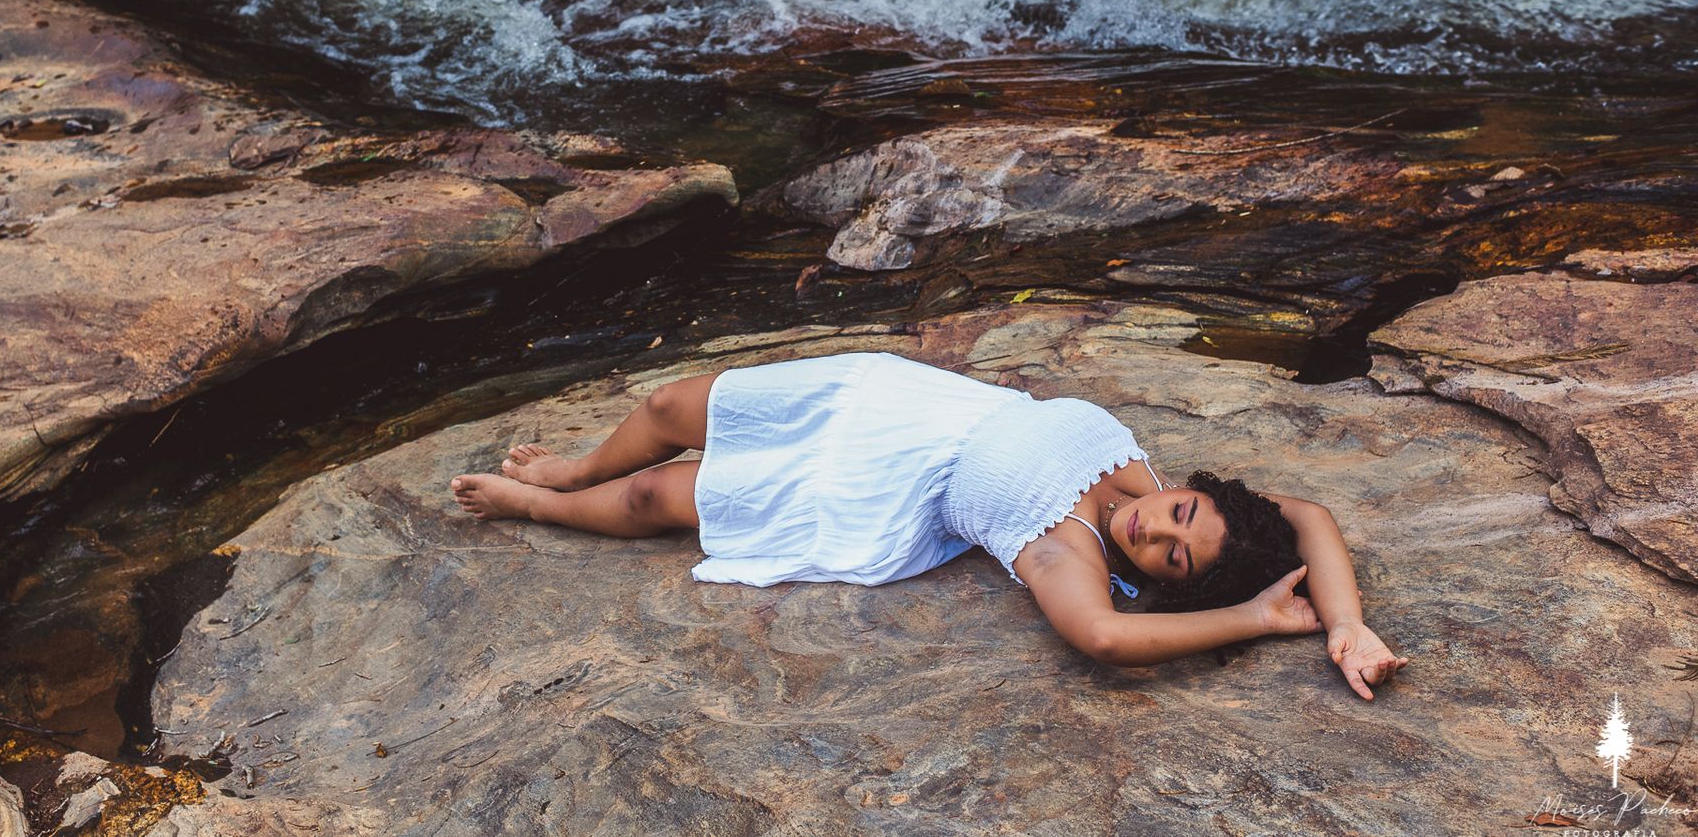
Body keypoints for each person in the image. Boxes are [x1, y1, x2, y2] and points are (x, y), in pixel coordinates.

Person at [450, 351, 1408, 699]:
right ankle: (576, 461)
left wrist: (1255, 620)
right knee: (669, 407)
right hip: (896, 397)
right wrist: (1345, 622)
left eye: (1172, 556)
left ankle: (546, 502)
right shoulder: (1138, 474)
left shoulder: (1062, 549)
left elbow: (1106, 638)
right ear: (1194, 488)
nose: (1156, 532)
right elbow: (1311, 514)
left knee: (664, 501)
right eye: (1181, 514)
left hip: (885, 491)